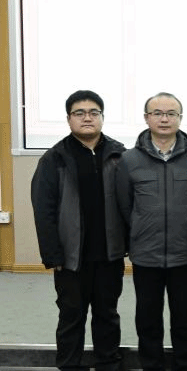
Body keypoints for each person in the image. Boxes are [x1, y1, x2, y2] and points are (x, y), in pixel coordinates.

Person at [31, 90, 126, 371]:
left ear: (102, 117)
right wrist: (52, 254)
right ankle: (70, 366)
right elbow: (43, 209)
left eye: (94, 112)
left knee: (107, 315)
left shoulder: (119, 154)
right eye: (79, 113)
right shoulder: (54, 158)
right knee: (71, 316)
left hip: (109, 254)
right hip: (71, 258)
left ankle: (108, 363)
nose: (87, 118)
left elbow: (130, 203)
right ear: (69, 118)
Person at [115, 92, 187, 371]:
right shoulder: (129, 159)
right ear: (146, 118)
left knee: (184, 319)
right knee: (148, 319)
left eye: (171, 113)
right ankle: (151, 365)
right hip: (146, 255)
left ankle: (185, 365)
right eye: (157, 113)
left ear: (180, 118)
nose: (164, 119)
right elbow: (125, 205)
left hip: (184, 253)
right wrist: (140, 232)